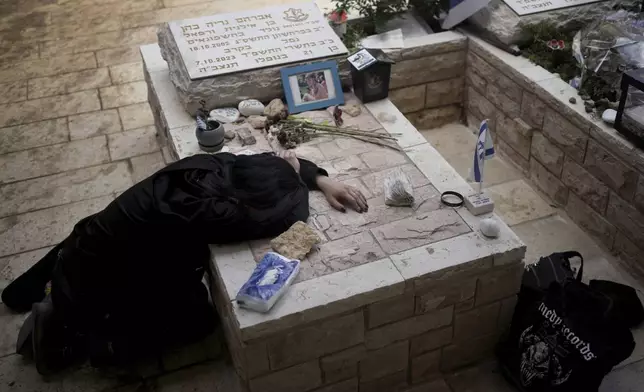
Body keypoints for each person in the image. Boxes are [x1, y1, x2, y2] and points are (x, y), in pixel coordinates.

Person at [2, 151, 367, 375]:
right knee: (200, 321)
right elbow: (287, 215)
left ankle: (62, 301)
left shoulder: (210, 168)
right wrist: (309, 179)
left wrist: (316, 176)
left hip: (83, 248)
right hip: (101, 287)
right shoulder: (215, 214)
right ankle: (96, 342)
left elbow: (270, 162)